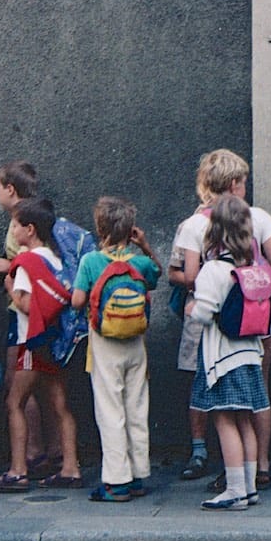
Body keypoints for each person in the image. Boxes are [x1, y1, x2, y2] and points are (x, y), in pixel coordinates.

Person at [171, 149, 271, 489]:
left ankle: (228, 468)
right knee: (258, 389)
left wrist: (215, 281)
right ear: (235, 183)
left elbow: (187, 276)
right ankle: (260, 467)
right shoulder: (258, 216)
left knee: (218, 394)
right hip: (260, 311)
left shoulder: (194, 224)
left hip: (217, 319)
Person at [185, 196, 271, 511]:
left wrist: (192, 306)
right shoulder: (250, 268)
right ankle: (248, 487)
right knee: (245, 422)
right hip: (250, 354)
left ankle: (235, 489)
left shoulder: (213, 270)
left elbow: (205, 314)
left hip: (222, 360)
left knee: (223, 420)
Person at [71, 196, 161, 502]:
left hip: (105, 342)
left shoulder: (91, 262)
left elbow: (78, 302)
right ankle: (138, 475)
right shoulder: (140, 263)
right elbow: (156, 276)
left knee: (110, 411)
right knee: (136, 408)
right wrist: (145, 247)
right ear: (130, 230)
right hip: (136, 343)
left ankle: (116, 481)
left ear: (100, 227)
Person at [0, 200, 80, 492]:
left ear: (29, 229)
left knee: (14, 402)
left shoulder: (26, 262)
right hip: (56, 343)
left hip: (31, 342)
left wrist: (10, 289)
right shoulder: (54, 258)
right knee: (61, 405)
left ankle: (18, 470)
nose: (12, 230)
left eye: (15, 225)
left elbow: (29, 306)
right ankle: (71, 467)